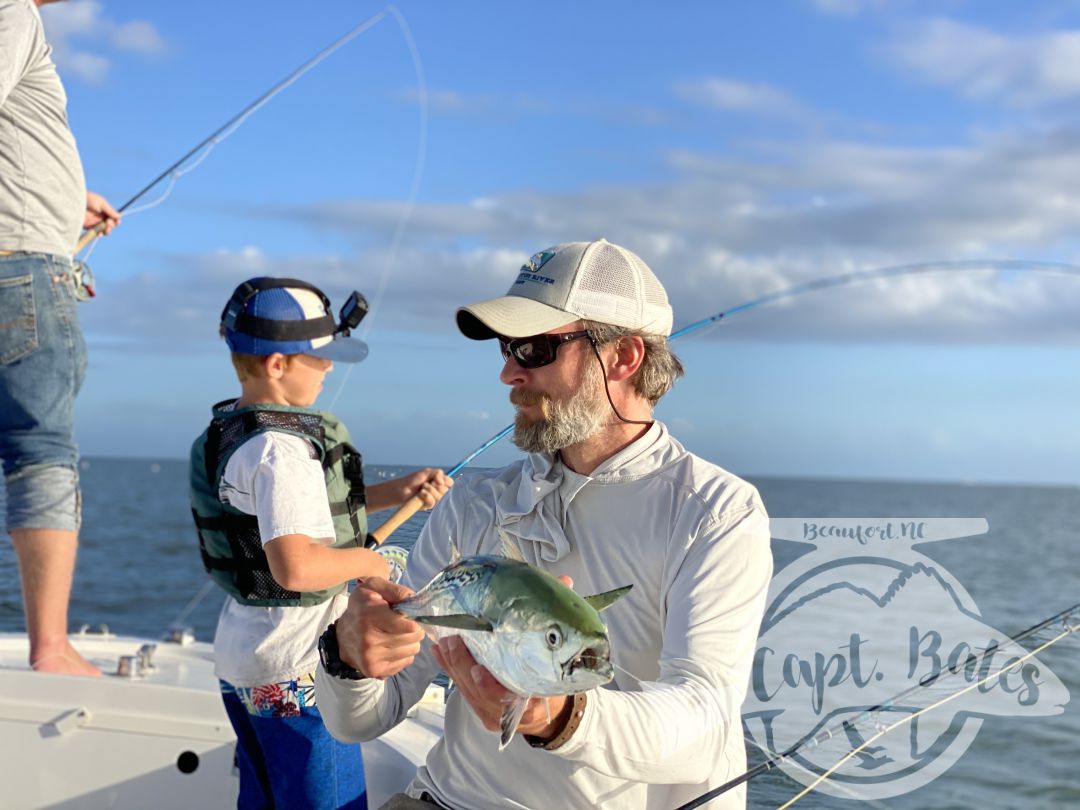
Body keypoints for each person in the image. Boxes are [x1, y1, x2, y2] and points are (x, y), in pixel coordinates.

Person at [316, 239, 774, 809]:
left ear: (625, 357)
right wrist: (348, 658)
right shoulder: (472, 504)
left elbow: (704, 715)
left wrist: (559, 715)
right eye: (507, 347)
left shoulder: (715, 510)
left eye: (533, 348)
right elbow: (359, 722)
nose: (509, 372)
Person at [189, 277, 452, 810]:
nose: (330, 368)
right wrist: (372, 561)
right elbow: (297, 567)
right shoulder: (284, 450)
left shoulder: (241, 436)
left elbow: (300, 518)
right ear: (278, 365)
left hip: (245, 657)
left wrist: (394, 493)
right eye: (320, 357)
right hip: (297, 670)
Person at [0, 0, 121, 677]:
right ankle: (51, 647)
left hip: (24, 255)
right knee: (39, 449)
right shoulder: (12, 11)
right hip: (22, 270)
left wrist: (67, 197)